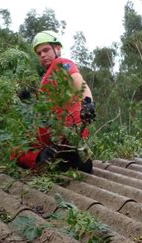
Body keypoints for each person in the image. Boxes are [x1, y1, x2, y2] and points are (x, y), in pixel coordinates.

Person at [14, 30, 96, 173]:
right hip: (51, 143)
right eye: (39, 53)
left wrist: (88, 102)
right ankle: (44, 158)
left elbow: (79, 82)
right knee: (16, 151)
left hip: (66, 137)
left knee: (17, 153)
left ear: (57, 48)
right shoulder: (46, 80)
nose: (42, 55)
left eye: (45, 50)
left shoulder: (61, 63)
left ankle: (61, 158)